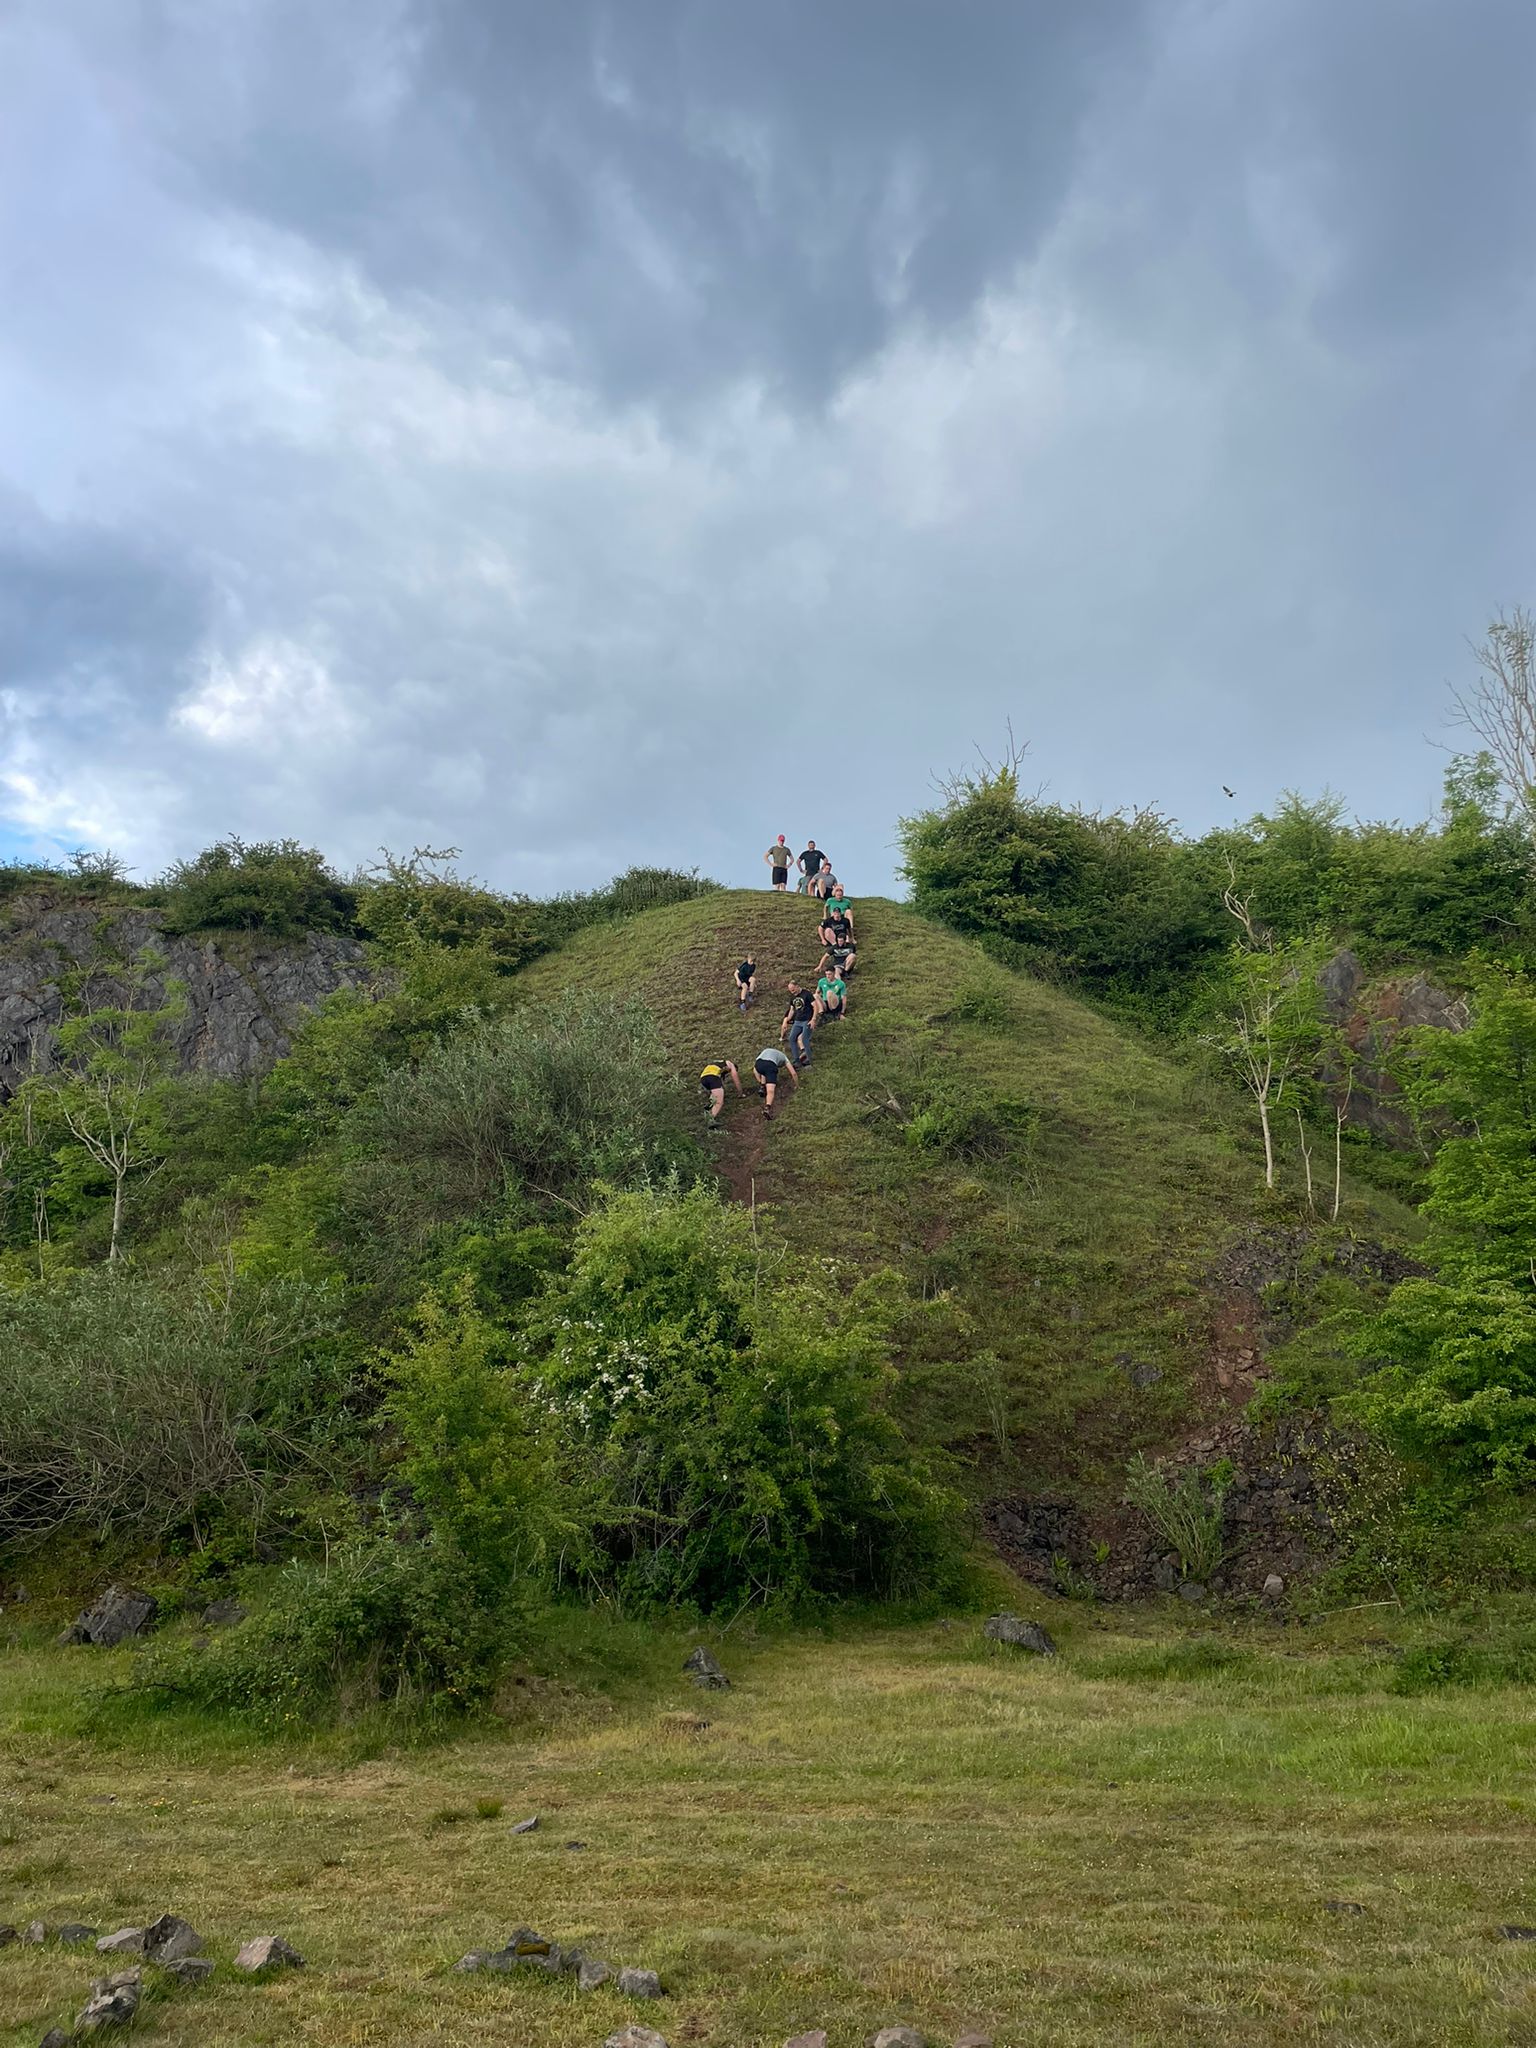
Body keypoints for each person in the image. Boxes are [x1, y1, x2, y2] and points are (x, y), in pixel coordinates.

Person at [753, 1044, 799, 1119]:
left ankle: (762, 1087)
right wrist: (797, 1085)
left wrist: (760, 1081)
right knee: (770, 1091)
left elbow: (755, 1070)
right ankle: (767, 1108)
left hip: (759, 1064)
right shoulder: (784, 1057)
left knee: (764, 1072)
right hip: (770, 1066)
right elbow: (793, 1073)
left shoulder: (766, 1051)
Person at [699, 1056, 742, 1128]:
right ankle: (709, 1120)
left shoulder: (717, 1064)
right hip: (713, 1077)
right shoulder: (730, 1064)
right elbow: (735, 1078)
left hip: (703, 1078)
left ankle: (710, 1104)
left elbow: (720, 1085)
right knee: (719, 1102)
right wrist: (740, 1092)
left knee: (716, 1094)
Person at [782, 979, 817, 1067]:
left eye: (793, 990)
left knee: (804, 1039)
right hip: (798, 1020)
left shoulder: (807, 994)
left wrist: (813, 1019)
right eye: (790, 991)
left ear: (797, 986)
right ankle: (796, 1060)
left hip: (807, 1020)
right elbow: (792, 1010)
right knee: (792, 1038)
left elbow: (815, 1006)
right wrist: (786, 1021)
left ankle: (809, 1060)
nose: (792, 992)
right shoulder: (793, 997)